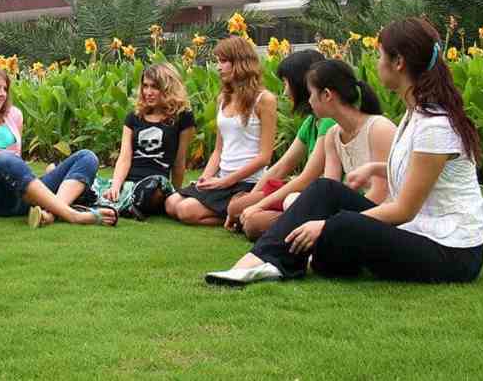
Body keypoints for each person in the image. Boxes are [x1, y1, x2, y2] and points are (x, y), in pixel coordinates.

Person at [205, 17, 483, 285]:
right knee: (325, 190)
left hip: (451, 251)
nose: (377, 64)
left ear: (399, 62)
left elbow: (404, 209)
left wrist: (327, 226)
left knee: (342, 227)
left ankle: (302, 259)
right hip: (419, 232)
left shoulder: (434, 125)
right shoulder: (414, 116)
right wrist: (375, 169)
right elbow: (423, 172)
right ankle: (256, 261)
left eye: (380, 56)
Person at [0, 64, 116, 227]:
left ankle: (51, 213)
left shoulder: (13, 114)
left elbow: (18, 157)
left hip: (25, 194)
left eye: (5, 89)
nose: (2, 94)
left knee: (87, 157)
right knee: (4, 160)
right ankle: (73, 215)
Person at [165, 36, 278, 226]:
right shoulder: (223, 100)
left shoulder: (264, 100)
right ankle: (232, 214)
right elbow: (219, 150)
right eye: (218, 61)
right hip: (222, 179)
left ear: (241, 63)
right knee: (170, 202)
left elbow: (265, 157)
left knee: (185, 211)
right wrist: (205, 178)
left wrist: (226, 182)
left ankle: (236, 214)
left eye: (223, 61)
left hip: (248, 182)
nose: (218, 67)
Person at [224, 51, 333, 240]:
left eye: (286, 83)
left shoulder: (328, 122)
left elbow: (307, 177)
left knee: (253, 224)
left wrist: (257, 206)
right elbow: (283, 165)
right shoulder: (310, 122)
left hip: (316, 198)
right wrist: (254, 197)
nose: (284, 91)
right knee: (236, 207)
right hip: (300, 192)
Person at [97, 63, 195, 219]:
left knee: (152, 187)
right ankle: (127, 203)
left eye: (154, 87)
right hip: (130, 182)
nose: (148, 92)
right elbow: (124, 157)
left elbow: (179, 161)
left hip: (156, 183)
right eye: (145, 86)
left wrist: (175, 196)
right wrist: (116, 185)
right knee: (90, 184)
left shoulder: (183, 118)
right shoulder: (133, 118)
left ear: (168, 88)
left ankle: (125, 205)